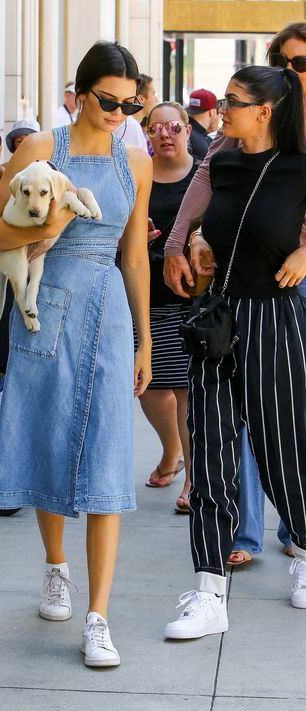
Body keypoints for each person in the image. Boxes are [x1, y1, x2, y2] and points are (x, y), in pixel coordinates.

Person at [0, 40, 152, 667]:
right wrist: (45, 229)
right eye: (108, 100)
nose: (120, 112)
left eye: (131, 102)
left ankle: (99, 617)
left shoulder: (138, 162)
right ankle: (56, 567)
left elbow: (134, 256)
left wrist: (145, 337)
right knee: (49, 440)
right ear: (79, 94)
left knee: (107, 455)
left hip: (106, 314)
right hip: (45, 306)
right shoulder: (40, 149)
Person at [164, 64, 306, 641]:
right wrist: (193, 243)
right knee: (212, 453)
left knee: (284, 450)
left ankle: (303, 551)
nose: (222, 109)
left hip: (275, 318)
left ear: (265, 110)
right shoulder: (220, 162)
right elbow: (202, 225)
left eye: (233, 101)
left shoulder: (299, 166)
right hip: (219, 320)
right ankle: (209, 591)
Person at [140, 102, 199, 514]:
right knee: (149, 389)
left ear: (189, 128)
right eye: (155, 127)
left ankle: (194, 479)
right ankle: (170, 451)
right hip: (148, 294)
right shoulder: (138, 174)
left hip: (193, 298)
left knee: (186, 391)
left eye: (173, 126)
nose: (165, 134)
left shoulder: (206, 173)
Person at [185, 88, 220, 161]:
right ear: (212, 112)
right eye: (218, 113)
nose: (220, 117)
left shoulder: (185, 132)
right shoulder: (189, 136)